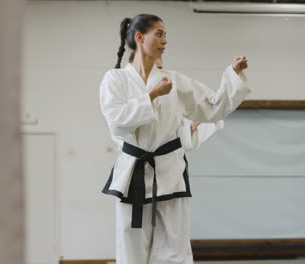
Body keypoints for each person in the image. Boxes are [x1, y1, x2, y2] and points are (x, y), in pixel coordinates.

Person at [99, 14, 250, 264]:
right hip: (133, 176)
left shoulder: (174, 80)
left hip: (170, 173)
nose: (165, 40)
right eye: (159, 34)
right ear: (139, 37)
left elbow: (212, 106)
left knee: (174, 250)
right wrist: (152, 96)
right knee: (131, 250)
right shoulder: (115, 79)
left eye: (165, 34)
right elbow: (117, 119)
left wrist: (232, 75)